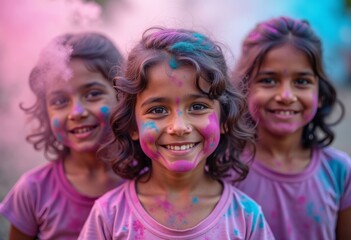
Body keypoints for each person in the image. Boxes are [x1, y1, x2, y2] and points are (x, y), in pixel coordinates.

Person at [78, 27, 274, 240]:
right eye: (158, 110)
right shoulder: (110, 216)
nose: (179, 127)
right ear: (133, 125)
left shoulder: (246, 218)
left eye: (198, 107)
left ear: (224, 119)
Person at [231, 16, 351, 240]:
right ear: (244, 88)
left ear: (320, 93)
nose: (286, 96)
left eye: (302, 81)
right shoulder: (226, 169)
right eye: (268, 80)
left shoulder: (339, 171)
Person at [0, 32, 125, 239]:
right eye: (60, 101)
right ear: (44, 111)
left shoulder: (149, 179)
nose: (77, 112)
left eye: (93, 94)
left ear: (122, 96)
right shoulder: (34, 191)